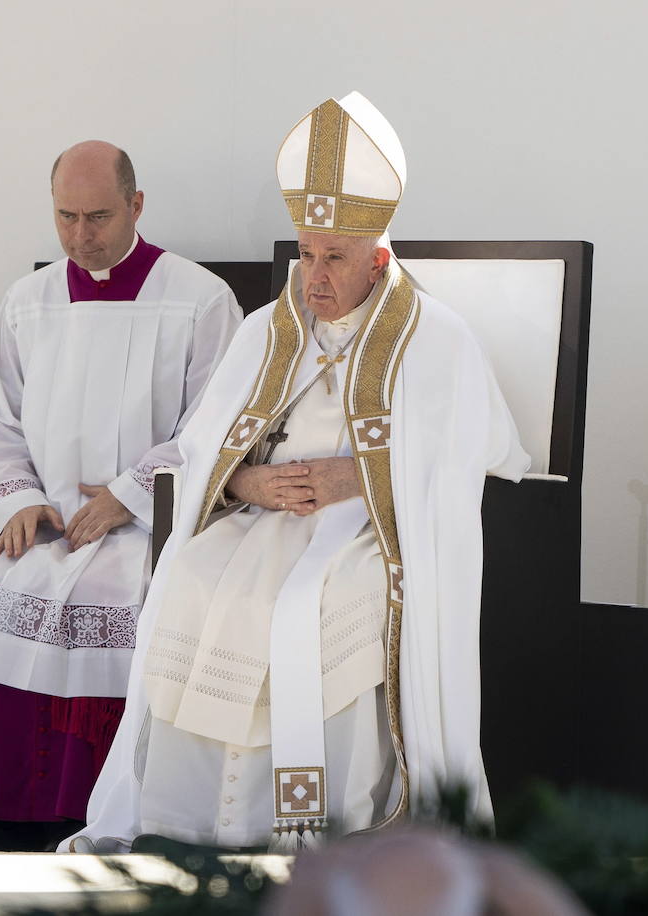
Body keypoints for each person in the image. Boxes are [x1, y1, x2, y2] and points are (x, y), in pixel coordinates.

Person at [66, 93, 529, 853]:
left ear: (377, 258)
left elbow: (478, 448)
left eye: (333, 259)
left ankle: (308, 829)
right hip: (263, 518)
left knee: (314, 605)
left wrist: (359, 475)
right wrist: (245, 484)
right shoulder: (268, 329)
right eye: (306, 254)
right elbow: (202, 444)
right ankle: (190, 825)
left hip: (367, 526)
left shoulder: (434, 337)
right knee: (192, 579)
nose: (313, 276)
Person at [0, 140, 243, 851]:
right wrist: (17, 500)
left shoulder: (199, 298)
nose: (79, 236)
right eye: (65, 217)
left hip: (146, 531)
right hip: (51, 527)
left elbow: (219, 423)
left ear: (136, 204)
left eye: (97, 216)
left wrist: (130, 495)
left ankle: (108, 821)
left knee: (127, 602)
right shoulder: (28, 302)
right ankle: (2, 818)